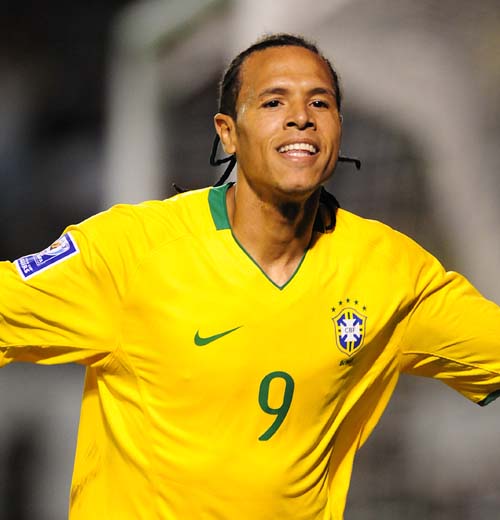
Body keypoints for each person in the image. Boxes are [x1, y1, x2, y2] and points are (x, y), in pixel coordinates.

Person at [1, 33, 499, 520]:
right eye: (273, 102)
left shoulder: (389, 270)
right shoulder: (130, 252)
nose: (301, 116)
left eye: (320, 103)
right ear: (228, 133)